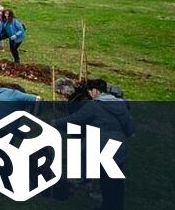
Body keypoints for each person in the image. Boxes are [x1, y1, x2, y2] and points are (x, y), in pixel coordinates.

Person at [53, 79, 133, 210]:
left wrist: (56, 122)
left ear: (95, 91)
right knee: (116, 182)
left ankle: (107, 205)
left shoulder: (94, 105)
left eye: (90, 91)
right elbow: (129, 127)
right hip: (118, 145)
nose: (89, 94)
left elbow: (76, 119)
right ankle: (112, 205)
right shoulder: (119, 103)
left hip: (104, 147)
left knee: (108, 181)